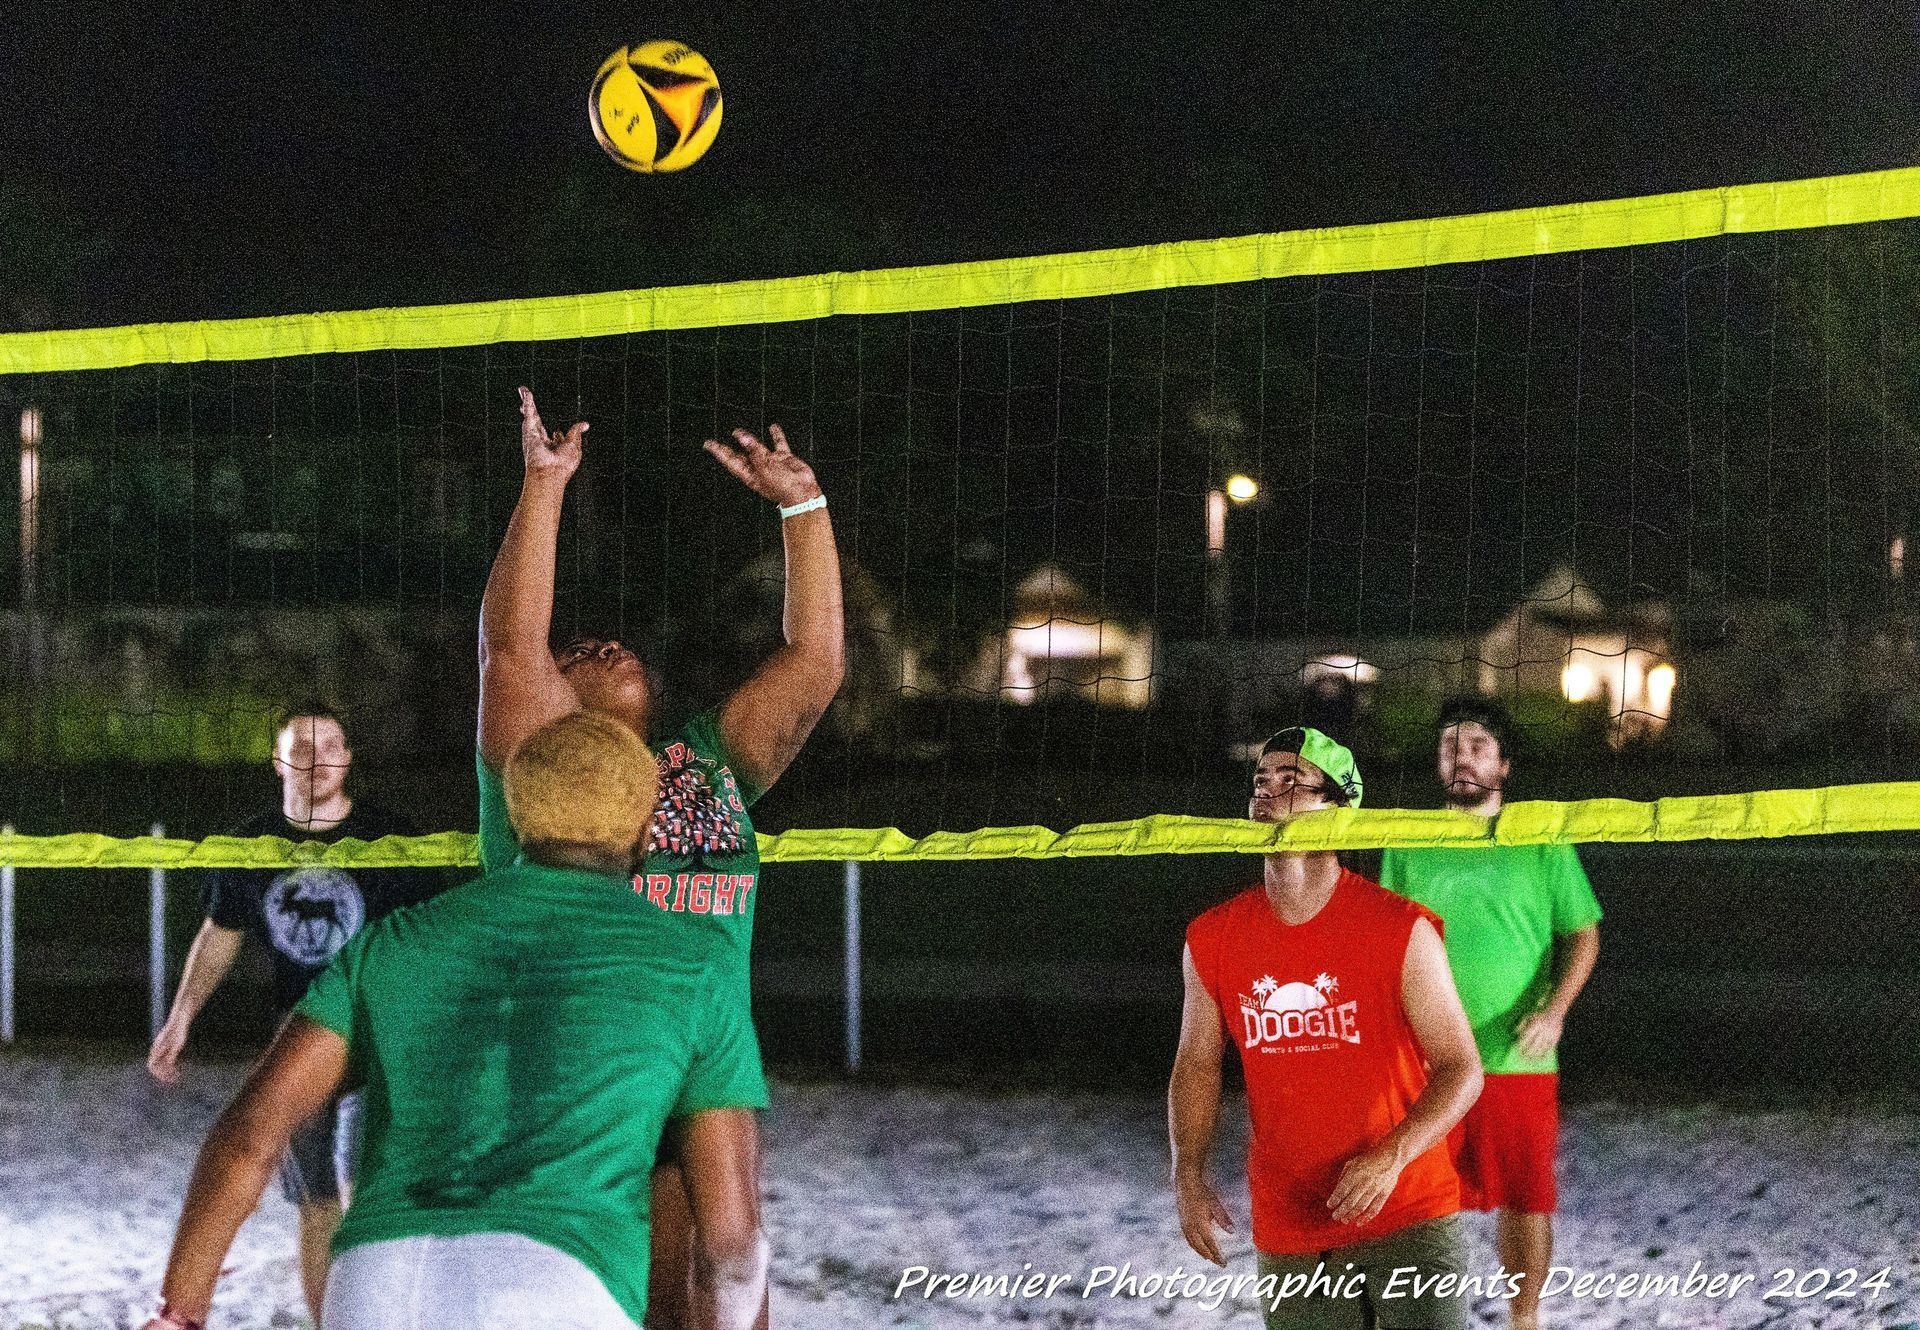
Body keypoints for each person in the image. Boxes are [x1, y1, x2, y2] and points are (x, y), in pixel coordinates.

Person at [142, 709, 750, 1330]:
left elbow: (246, 1137)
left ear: (514, 820)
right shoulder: (695, 962)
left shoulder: (390, 942)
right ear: (648, 835)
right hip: (559, 1286)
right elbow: (731, 1247)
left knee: (330, 1201)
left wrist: (178, 1315)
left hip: (378, 1284)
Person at [479, 386, 844, 1328]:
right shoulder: (534, 767)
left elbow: (814, 663)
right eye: (573, 655)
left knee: (721, 1295)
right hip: (583, 1068)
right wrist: (545, 486)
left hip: (703, 1068)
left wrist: (802, 506)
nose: (593, 645)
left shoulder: (704, 762)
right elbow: (512, 648)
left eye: (607, 644)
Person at [1170, 727, 1483, 1330]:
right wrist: (1187, 1169)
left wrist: (1392, 1154)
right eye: (1261, 782)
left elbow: (1462, 1068)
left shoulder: (1400, 928)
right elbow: (1197, 1061)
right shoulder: (1213, 936)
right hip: (1291, 1222)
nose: (1268, 797)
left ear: (1339, 810)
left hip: (1408, 1209)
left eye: (1293, 784)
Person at [146, 707, 444, 1321]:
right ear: (279, 763)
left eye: (329, 747)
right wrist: (181, 1018)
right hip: (298, 1037)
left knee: (370, 1193)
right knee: (316, 1200)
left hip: (380, 1035)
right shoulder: (254, 843)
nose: (315, 762)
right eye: (301, 750)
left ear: (349, 757)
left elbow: (437, 937)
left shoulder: (393, 839)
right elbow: (220, 932)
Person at [1379, 697, 1602, 1330]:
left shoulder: (1541, 836)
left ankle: (1523, 1320)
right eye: (1450, 746)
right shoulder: (1407, 840)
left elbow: (1582, 935)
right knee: (1417, 1202)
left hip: (1516, 1054)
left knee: (1527, 1200)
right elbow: (1390, 942)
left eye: (1478, 746)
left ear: (1503, 765)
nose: (1462, 757)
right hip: (1428, 1059)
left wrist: (1555, 1011)